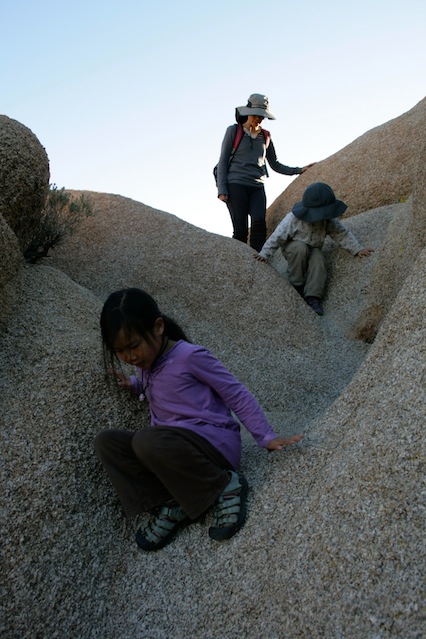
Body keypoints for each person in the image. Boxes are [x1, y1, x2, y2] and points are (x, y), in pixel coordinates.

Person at [94, 288, 303, 551]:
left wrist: (265, 436)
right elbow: (160, 389)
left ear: (158, 327)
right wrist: (135, 384)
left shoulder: (190, 356)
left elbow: (235, 393)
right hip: (171, 451)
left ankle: (224, 485)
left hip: (212, 445)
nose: (130, 357)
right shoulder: (144, 364)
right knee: (106, 442)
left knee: (146, 440)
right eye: (120, 351)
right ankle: (172, 503)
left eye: (134, 346)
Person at [254, 182, 374, 316]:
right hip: (293, 246)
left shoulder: (327, 220)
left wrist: (357, 249)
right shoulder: (293, 219)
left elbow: (341, 233)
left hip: (314, 247)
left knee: (319, 261)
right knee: (300, 249)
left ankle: (313, 297)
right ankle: (297, 284)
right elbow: (277, 236)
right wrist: (265, 253)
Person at [216, 93, 315, 252]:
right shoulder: (233, 131)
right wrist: (222, 189)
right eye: (256, 115)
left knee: (259, 225)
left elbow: (275, 164)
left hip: (257, 186)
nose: (259, 119)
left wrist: (299, 170)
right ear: (248, 112)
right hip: (235, 185)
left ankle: (258, 260)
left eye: (262, 116)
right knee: (240, 230)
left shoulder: (266, 136)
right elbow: (222, 161)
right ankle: (238, 262)